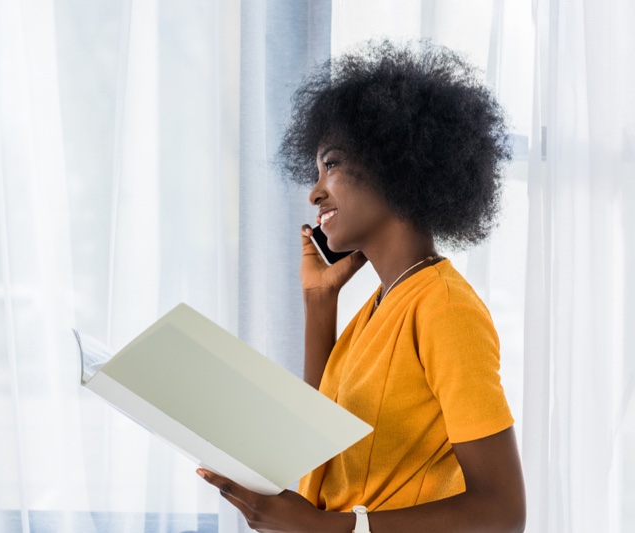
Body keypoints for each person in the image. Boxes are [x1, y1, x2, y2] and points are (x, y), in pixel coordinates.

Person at [197, 40, 526, 532]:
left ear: (395, 163)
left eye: (331, 163)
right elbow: (320, 449)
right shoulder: (380, 304)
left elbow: (502, 513)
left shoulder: (445, 308)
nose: (315, 191)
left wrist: (332, 529)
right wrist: (318, 303)